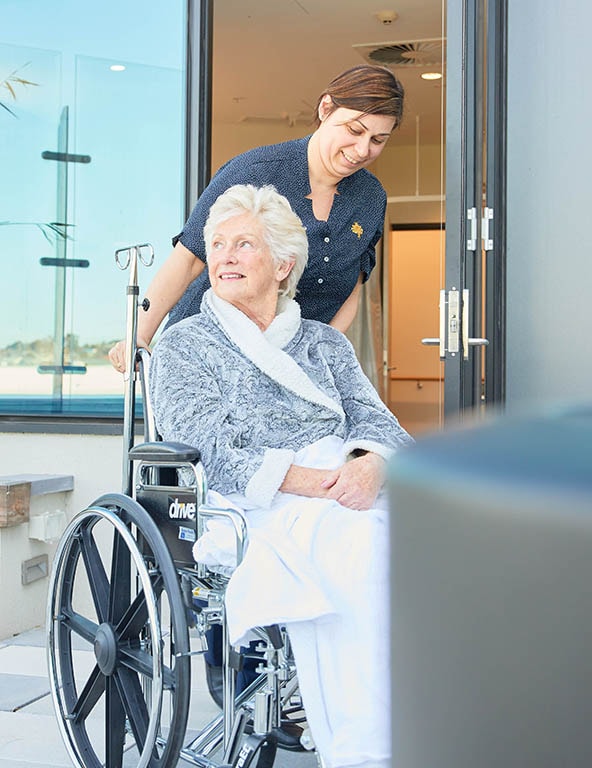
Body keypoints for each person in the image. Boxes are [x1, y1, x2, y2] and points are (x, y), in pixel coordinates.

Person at [149, 183, 413, 768]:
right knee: (366, 549)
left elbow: (382, 426)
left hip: (343, 487)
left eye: (244, 244)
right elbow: (201, 449)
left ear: (284, 264)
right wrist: (313, 482)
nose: (224, 256)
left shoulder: (324, 344)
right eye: (217, 245)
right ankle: (367, 751)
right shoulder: (185, 347)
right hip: (254, 504)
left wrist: (371, 464)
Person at [109, 63, 404, 371]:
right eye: (354, 130)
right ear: (326, 107)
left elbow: (351, 289)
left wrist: (318, 358)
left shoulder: (371, 198)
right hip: (208, 358)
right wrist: (140, 335)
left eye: (377, 140)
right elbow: (188, 259)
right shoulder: (255, 171)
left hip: (291, 367)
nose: (361, 149)